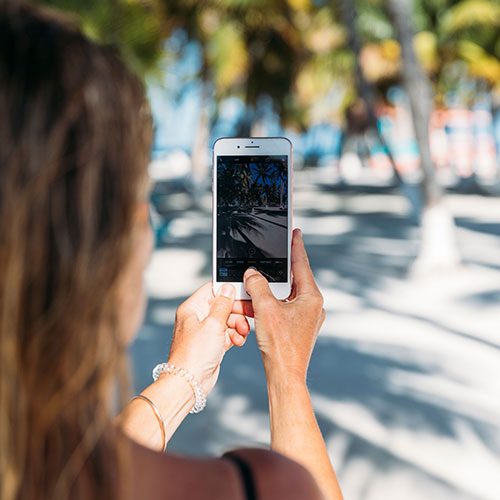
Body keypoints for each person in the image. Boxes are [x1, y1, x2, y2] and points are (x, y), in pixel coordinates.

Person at [0, 2, 343, 500]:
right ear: (117, 246)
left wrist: (186, 376)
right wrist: (287, 375)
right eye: (144, 206)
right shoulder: (260, 487)